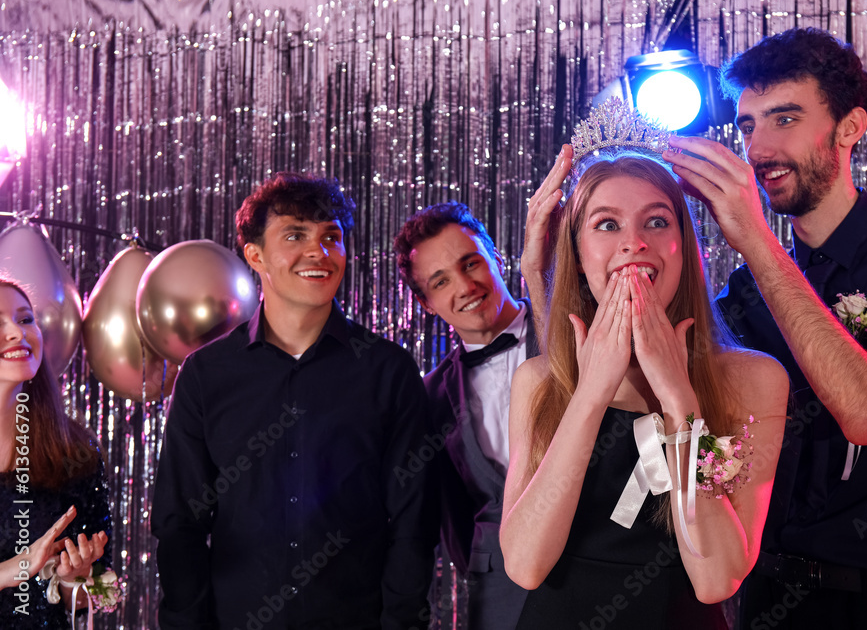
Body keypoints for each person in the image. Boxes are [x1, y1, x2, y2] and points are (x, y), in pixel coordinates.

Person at [658, 28, 867, 629]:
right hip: (762, 600)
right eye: (748, 125)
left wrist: (756, 240)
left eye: (784, 119)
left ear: (849, 127)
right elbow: (688, 423)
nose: (758, 148)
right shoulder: (744, 293)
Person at [500, 106, 789, 629]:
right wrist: (591, 393)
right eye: (606, 224)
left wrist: (678, 398)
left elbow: (717, 579)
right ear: (578, 253)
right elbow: (524, 565)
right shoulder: (538, 380)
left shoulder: (753, 379)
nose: (634, 243)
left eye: (656, 221)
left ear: (684, 246)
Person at [152, 173, 437, 630]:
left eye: (331, 237)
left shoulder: (388, 371)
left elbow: (414, 523)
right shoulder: (206, 375)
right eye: (295, 235)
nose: (318, 252)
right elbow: (179, 523)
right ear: (255, 255)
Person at [394, 202, 533, 629]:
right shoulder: (430, 396)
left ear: (496, 258)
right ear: (427, 303)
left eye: (471, 263)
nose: (466, 286)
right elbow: (450, 515)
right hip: (501, 596)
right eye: (441, 281)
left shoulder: (575, 331)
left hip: (604, 569)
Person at [0, 278, 118, 628]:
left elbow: (98, 599)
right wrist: (13, 569)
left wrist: (74, 578)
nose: (17, 333)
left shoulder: (75, 453)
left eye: (25, 319)